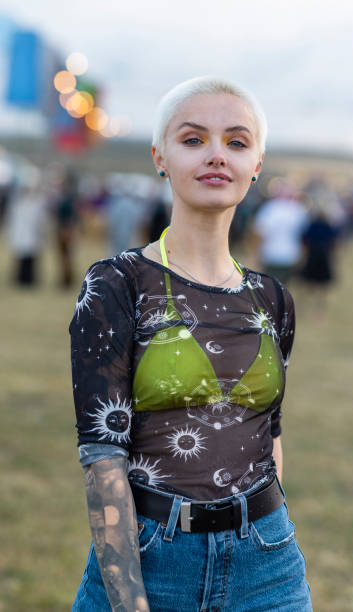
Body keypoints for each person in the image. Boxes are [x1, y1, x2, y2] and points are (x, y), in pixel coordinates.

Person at [70, 76, 313, 611]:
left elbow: (269, 433)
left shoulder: (273, 298)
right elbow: (103, 457)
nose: (216, 156)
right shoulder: (116, 283)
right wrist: (130, 601)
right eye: (193, 139)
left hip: (268, 563)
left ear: (257, 164)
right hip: (153, 559)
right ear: (161, 156)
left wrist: (263, 533)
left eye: (237, 142)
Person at [253, 181, 308, 283]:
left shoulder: (268, 208)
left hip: (270, 254)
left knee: (270, 287)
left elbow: (260, 234)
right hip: (291, 255)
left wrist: (257, 255)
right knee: (285, 288)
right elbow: (304, 236)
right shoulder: (298, 209)